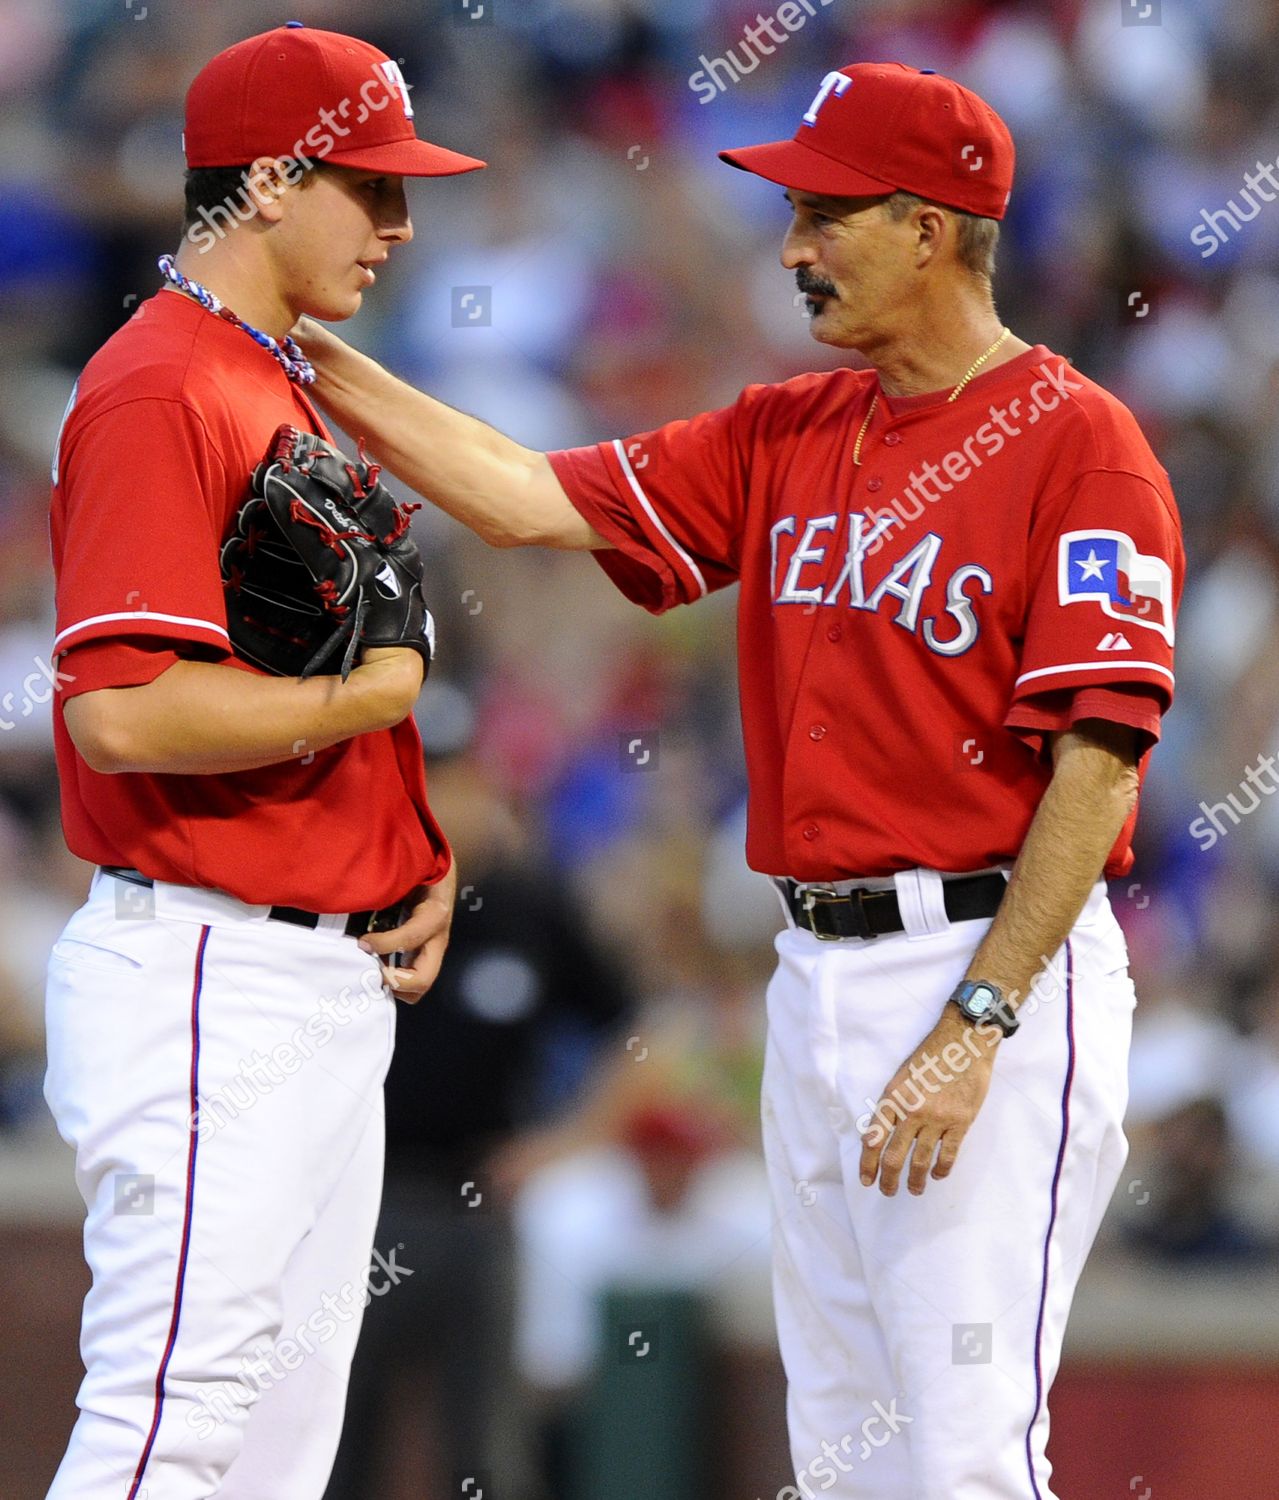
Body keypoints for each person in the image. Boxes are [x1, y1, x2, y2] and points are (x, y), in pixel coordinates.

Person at [298, 60, 1184, 1500]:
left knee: (962, 1452)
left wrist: (978, 1020)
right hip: (815, 973)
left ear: (932, 226)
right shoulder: (790, 431)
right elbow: (529, 496)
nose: (792, 248)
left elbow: (1100, 762)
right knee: (843, 1451)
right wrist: (307, 356)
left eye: (827, 213)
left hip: (983, 958)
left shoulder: (1081, 446)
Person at [43, 24, 482, 1500]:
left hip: (313, 974)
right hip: (207, 976)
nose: (403, 223)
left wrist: (409, 855)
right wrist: (366, 706)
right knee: (172, 1430)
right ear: (275, 180)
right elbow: (121, 711)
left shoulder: (273, 376)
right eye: (373, 187)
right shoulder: (165, 384)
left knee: (274, 1460)